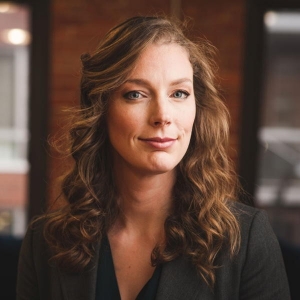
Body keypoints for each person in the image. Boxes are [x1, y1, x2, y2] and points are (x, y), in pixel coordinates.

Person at [17, 16, 290, 300]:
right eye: (136, 94)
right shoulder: (45, 242)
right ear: (101, 109)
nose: (162, 116)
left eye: (179, 93)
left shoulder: (246, 240)